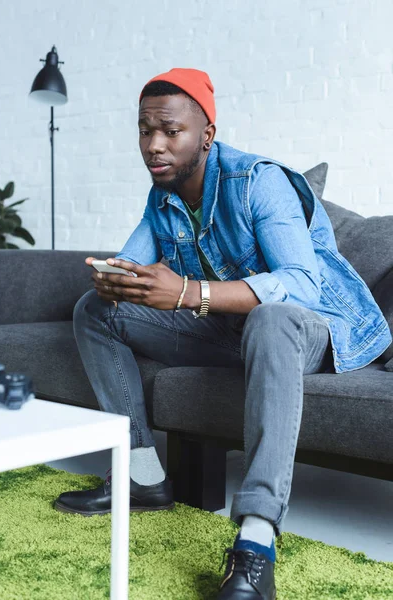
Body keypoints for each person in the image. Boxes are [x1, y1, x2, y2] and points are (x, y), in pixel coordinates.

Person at [54, 68, 392, 599]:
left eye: (170, 130)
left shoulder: (259, 182)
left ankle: (256, 542)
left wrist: (188, 292)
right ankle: (143, 477)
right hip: (231, 329)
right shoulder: (162, 195)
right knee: (96, 310)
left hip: (309, 330)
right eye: (145, 130)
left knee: (272, 316)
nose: (154, 145)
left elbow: (300, 285)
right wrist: (115, 278)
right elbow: (135, 265)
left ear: (206, 135)